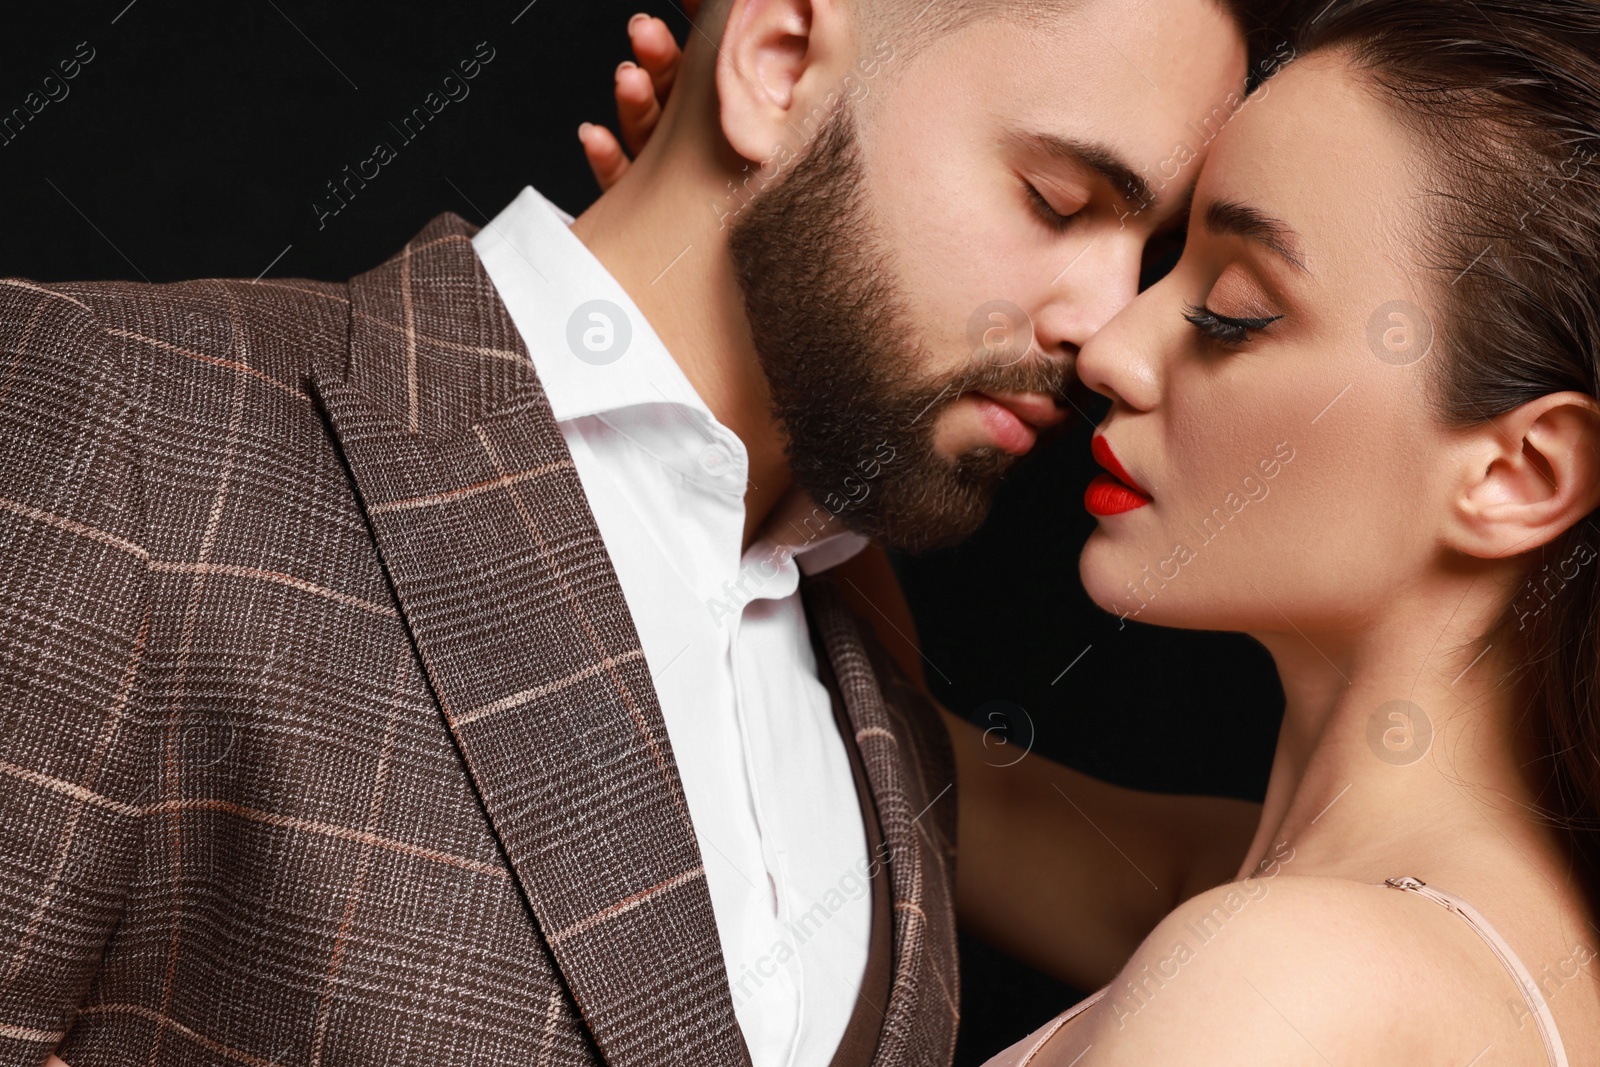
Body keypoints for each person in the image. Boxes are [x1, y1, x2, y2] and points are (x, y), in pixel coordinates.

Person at [0, 1, 1279, 1065]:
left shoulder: (870, 682)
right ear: (777, 69)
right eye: (1057, 201)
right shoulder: (120, 415)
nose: (1107, 326)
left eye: (1151, 248)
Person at [596, 0, 1600, 1062]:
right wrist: (759, 259)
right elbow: (934, 783)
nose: (1109, 348)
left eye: (1232, 309)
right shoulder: (1360, 907)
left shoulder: (1290, 975)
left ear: (1515, 474)